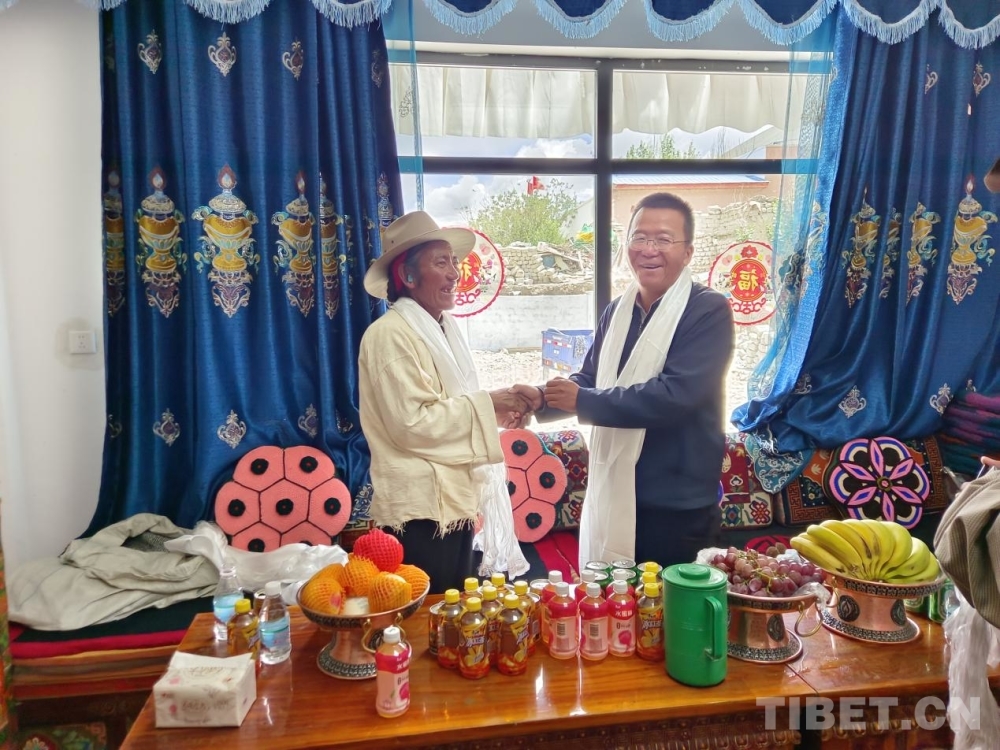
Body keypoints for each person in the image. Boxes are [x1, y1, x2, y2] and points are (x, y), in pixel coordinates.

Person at [516, 192, 735, 569]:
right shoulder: (617, 311)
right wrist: (540, 398)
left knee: (671, 604)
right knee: (614, 601)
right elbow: (590, 378)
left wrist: (581, 400)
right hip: (614, 491)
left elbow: (674, 395)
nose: (649, 249)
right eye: (639, 237)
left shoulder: (707, 310)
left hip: (675, 503)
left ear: (687, 252)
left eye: (663, 239)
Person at [358, 211, 531, 593]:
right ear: (408, 276)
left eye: (454, 261)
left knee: (455, 609)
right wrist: (489, 406)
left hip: (454, 502)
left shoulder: (442, 328)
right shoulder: (389, 334)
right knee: (428, 612)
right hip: (421, 512)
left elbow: (454, 402)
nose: (455, 273)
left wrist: (497, 408)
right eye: (441, 263)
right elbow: (413, 424)